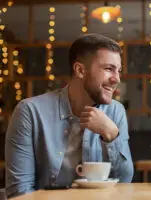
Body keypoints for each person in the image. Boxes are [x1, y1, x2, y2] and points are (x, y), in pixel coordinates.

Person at [5, 34, 134, 198]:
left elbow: (125, 182)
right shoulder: (29, 112)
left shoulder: (116, 111)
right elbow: (19, 192)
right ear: (80, 70)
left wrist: (112, 136)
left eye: (119, 70)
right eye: (109, 69)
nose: (116, 79)